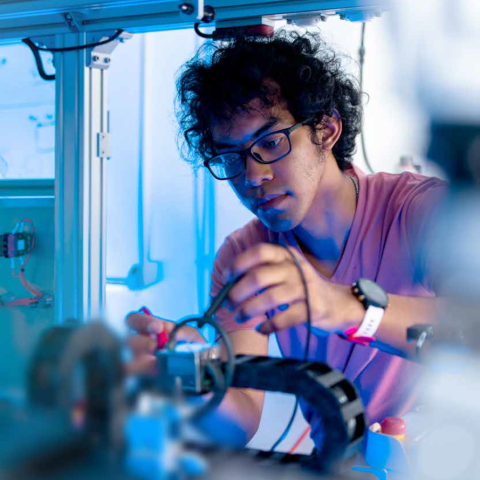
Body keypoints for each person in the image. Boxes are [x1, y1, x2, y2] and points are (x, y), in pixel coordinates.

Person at [126, 30, 447, 448]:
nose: (252, 176)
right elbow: (240, 422)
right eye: (231, 157)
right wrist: (194, 377)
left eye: (270, 142)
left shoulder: (419, 212)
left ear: (327, 128)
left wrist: (348, 307)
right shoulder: (244, 256)